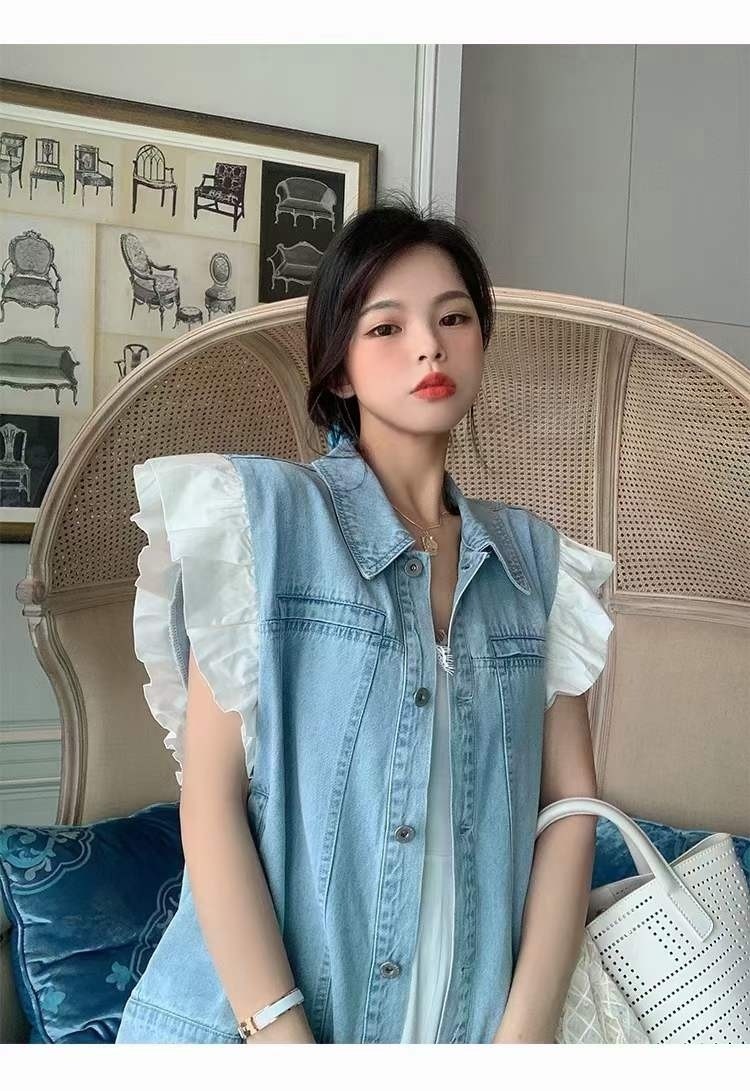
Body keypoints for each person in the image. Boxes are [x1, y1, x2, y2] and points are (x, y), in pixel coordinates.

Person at [115, 191, 616, 1045]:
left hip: (466, 1029)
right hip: (258, 1035)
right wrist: (284, 1041)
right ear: (340, 367)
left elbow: (569, 805)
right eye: (387, 326)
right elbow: (210, 803)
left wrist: (523, 1036)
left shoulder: (539, 568)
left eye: (454, 318)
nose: (429, 345)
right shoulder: (262, 527)